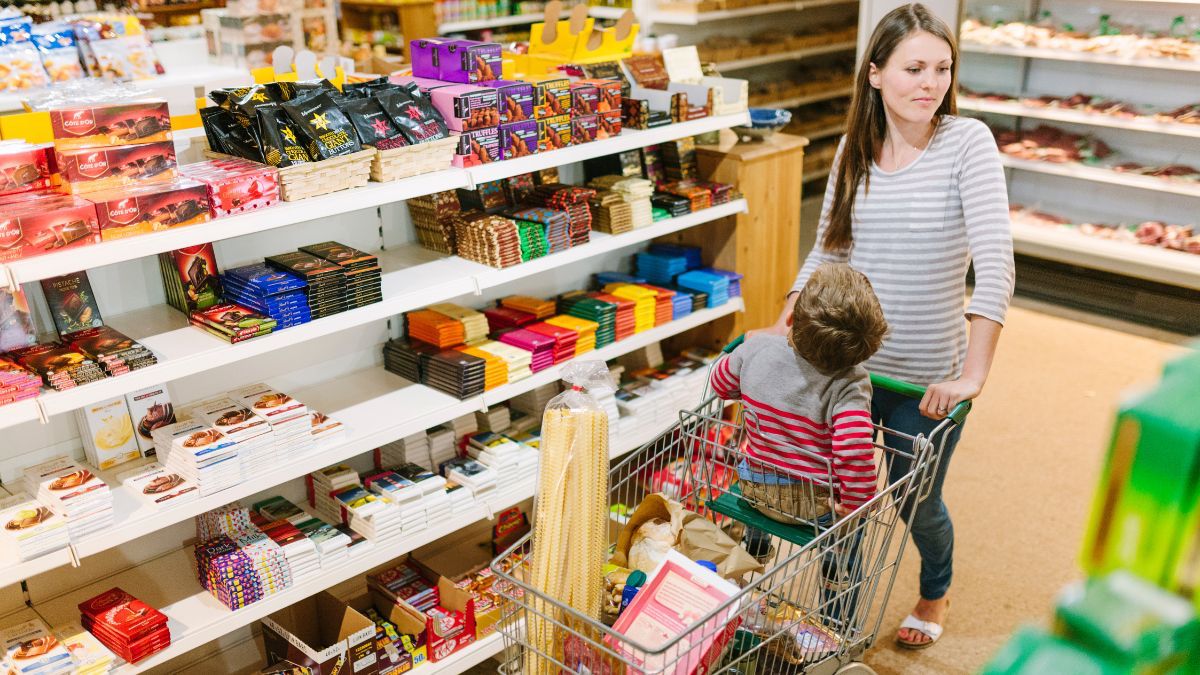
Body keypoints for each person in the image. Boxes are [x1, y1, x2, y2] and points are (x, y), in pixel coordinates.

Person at [756, 3, 1016, 650]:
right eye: (914, 68)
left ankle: (935, 588)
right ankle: (837, 620)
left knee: (913, 502)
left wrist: (973, 375)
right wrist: (782, 319)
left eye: (942, 69)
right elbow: (828, 250)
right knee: (837, 490)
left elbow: (997, 263)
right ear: (875, 74)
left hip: (927, 375)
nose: (931, 83)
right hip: (846, 364)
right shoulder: (853, 147)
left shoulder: (968, 144)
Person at [709, 262, 888, 524]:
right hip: (813, 505)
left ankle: (756, 539)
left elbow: (720, 385)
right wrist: (857, 503)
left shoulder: (756, 348)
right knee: (838, 522)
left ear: (790, 319)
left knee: (754, 450)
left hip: (754, 486)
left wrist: (751, 373)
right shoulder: (851, 381)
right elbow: (853, 448)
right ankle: (833, 562)